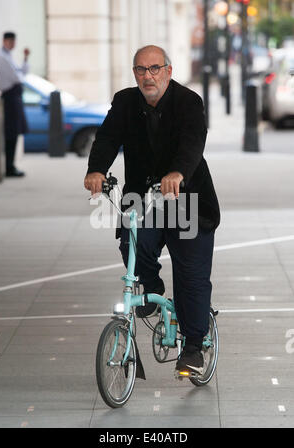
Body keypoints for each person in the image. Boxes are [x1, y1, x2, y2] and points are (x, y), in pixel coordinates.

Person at [84, 45, 220, 375]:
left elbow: (192, 141)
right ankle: (153, 289)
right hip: (143, 197)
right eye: (141, 70)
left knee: (190, 275)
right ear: (135, 74)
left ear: (169, 71)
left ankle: (192, 347)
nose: (149, 76)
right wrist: (96, 169)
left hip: (187, 200)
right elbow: (106, 138)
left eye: (155, 68)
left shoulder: (188, 102)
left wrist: (177, 173)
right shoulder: (125, 102)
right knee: (132, 244)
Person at [0, 32, 30, 177]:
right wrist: (20, 75)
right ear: (4, 41)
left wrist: (26, 58)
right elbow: (17, 77)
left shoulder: (8, 56)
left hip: (14, 97)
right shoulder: (1, 57)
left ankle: (11, 165)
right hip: (9, 98)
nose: (12, 44)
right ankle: (9, 167)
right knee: (10, 133)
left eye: (13, 41)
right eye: (10, 41)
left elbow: (23, 72)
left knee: (14, 133)